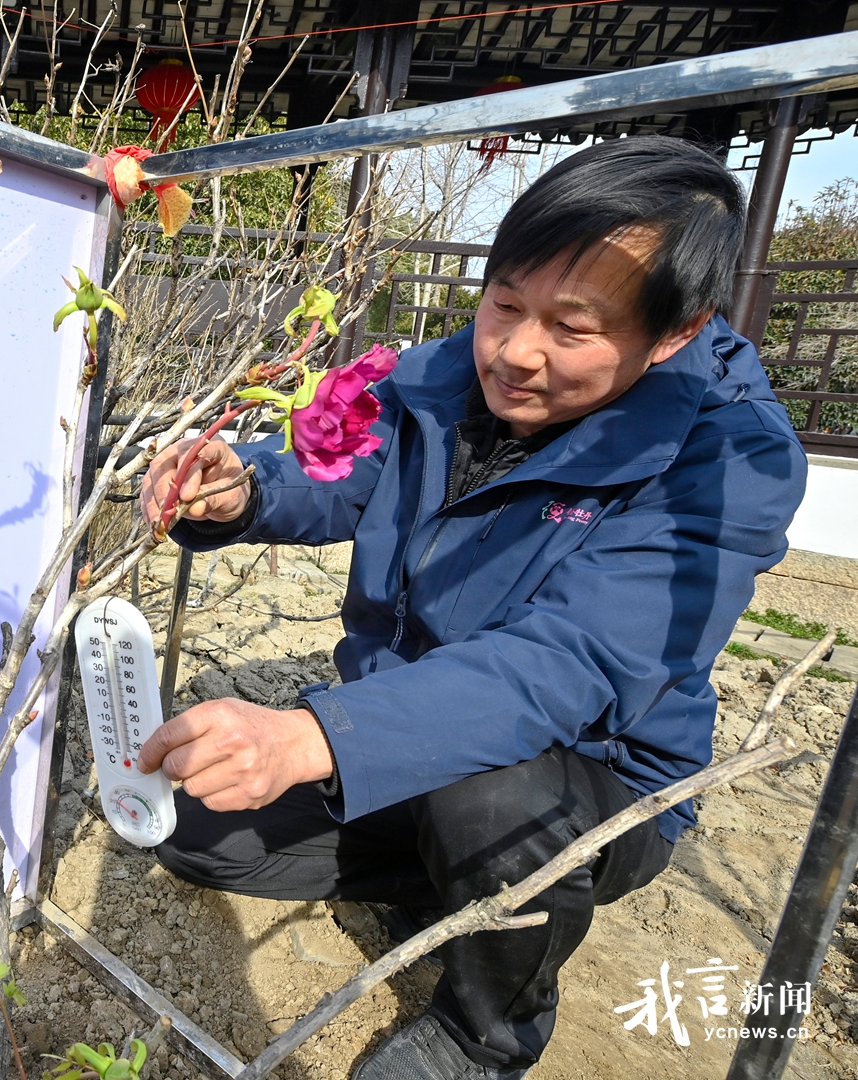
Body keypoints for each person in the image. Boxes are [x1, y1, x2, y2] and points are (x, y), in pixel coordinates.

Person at [134, 136, 807, 1080]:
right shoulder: (450, 375)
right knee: (197, 833)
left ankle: (484, 1033)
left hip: (585, 773)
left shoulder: (727, 459)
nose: (517, 352)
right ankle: (447, 883)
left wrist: (314, 738)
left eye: (572, 328)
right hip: (406, 723)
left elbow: (564, 664)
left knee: (487, 800)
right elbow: (350, 473)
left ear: (673, 334)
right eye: (505, 304)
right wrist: (245, 490)